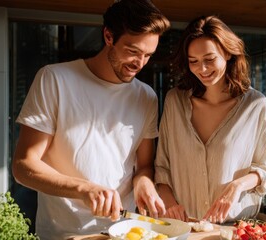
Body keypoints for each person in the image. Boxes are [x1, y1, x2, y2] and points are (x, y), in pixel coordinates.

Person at [12, 0, 170, 238]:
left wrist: (143, 183)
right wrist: (83, 188)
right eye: (132, 51)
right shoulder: (54, 79)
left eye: (148, 54)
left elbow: (144, 165)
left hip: (123, 231)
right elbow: (23, 166)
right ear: (108, 36)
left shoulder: (145, 96)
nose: (140, 63)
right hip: (63, 233)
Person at [154, 15, 266, 224]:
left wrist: (237, 185)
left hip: (237, 229)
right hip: (187, 229)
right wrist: (170, 205)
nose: (202, 69)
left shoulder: (254, 104)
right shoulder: (174, 101)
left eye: (209, 59)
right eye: (193, 61)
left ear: (228, 52)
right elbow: (162, 168)